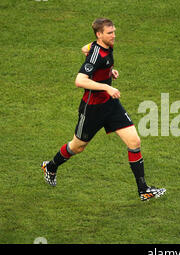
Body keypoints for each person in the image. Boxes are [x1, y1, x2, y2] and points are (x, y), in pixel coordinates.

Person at [41, 18, 166, 201]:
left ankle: (143, 190)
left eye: (114, 31)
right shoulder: (96, 55)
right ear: (99, 34)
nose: (114, 35)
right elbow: (80, 80)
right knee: (78, 146)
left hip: (111, 105)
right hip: (92, 109)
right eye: (110, 33)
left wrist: (109, 73)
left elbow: (85, 48)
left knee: (134, 141)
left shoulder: (104, 46)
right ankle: (51, 166)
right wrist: (107, 87)